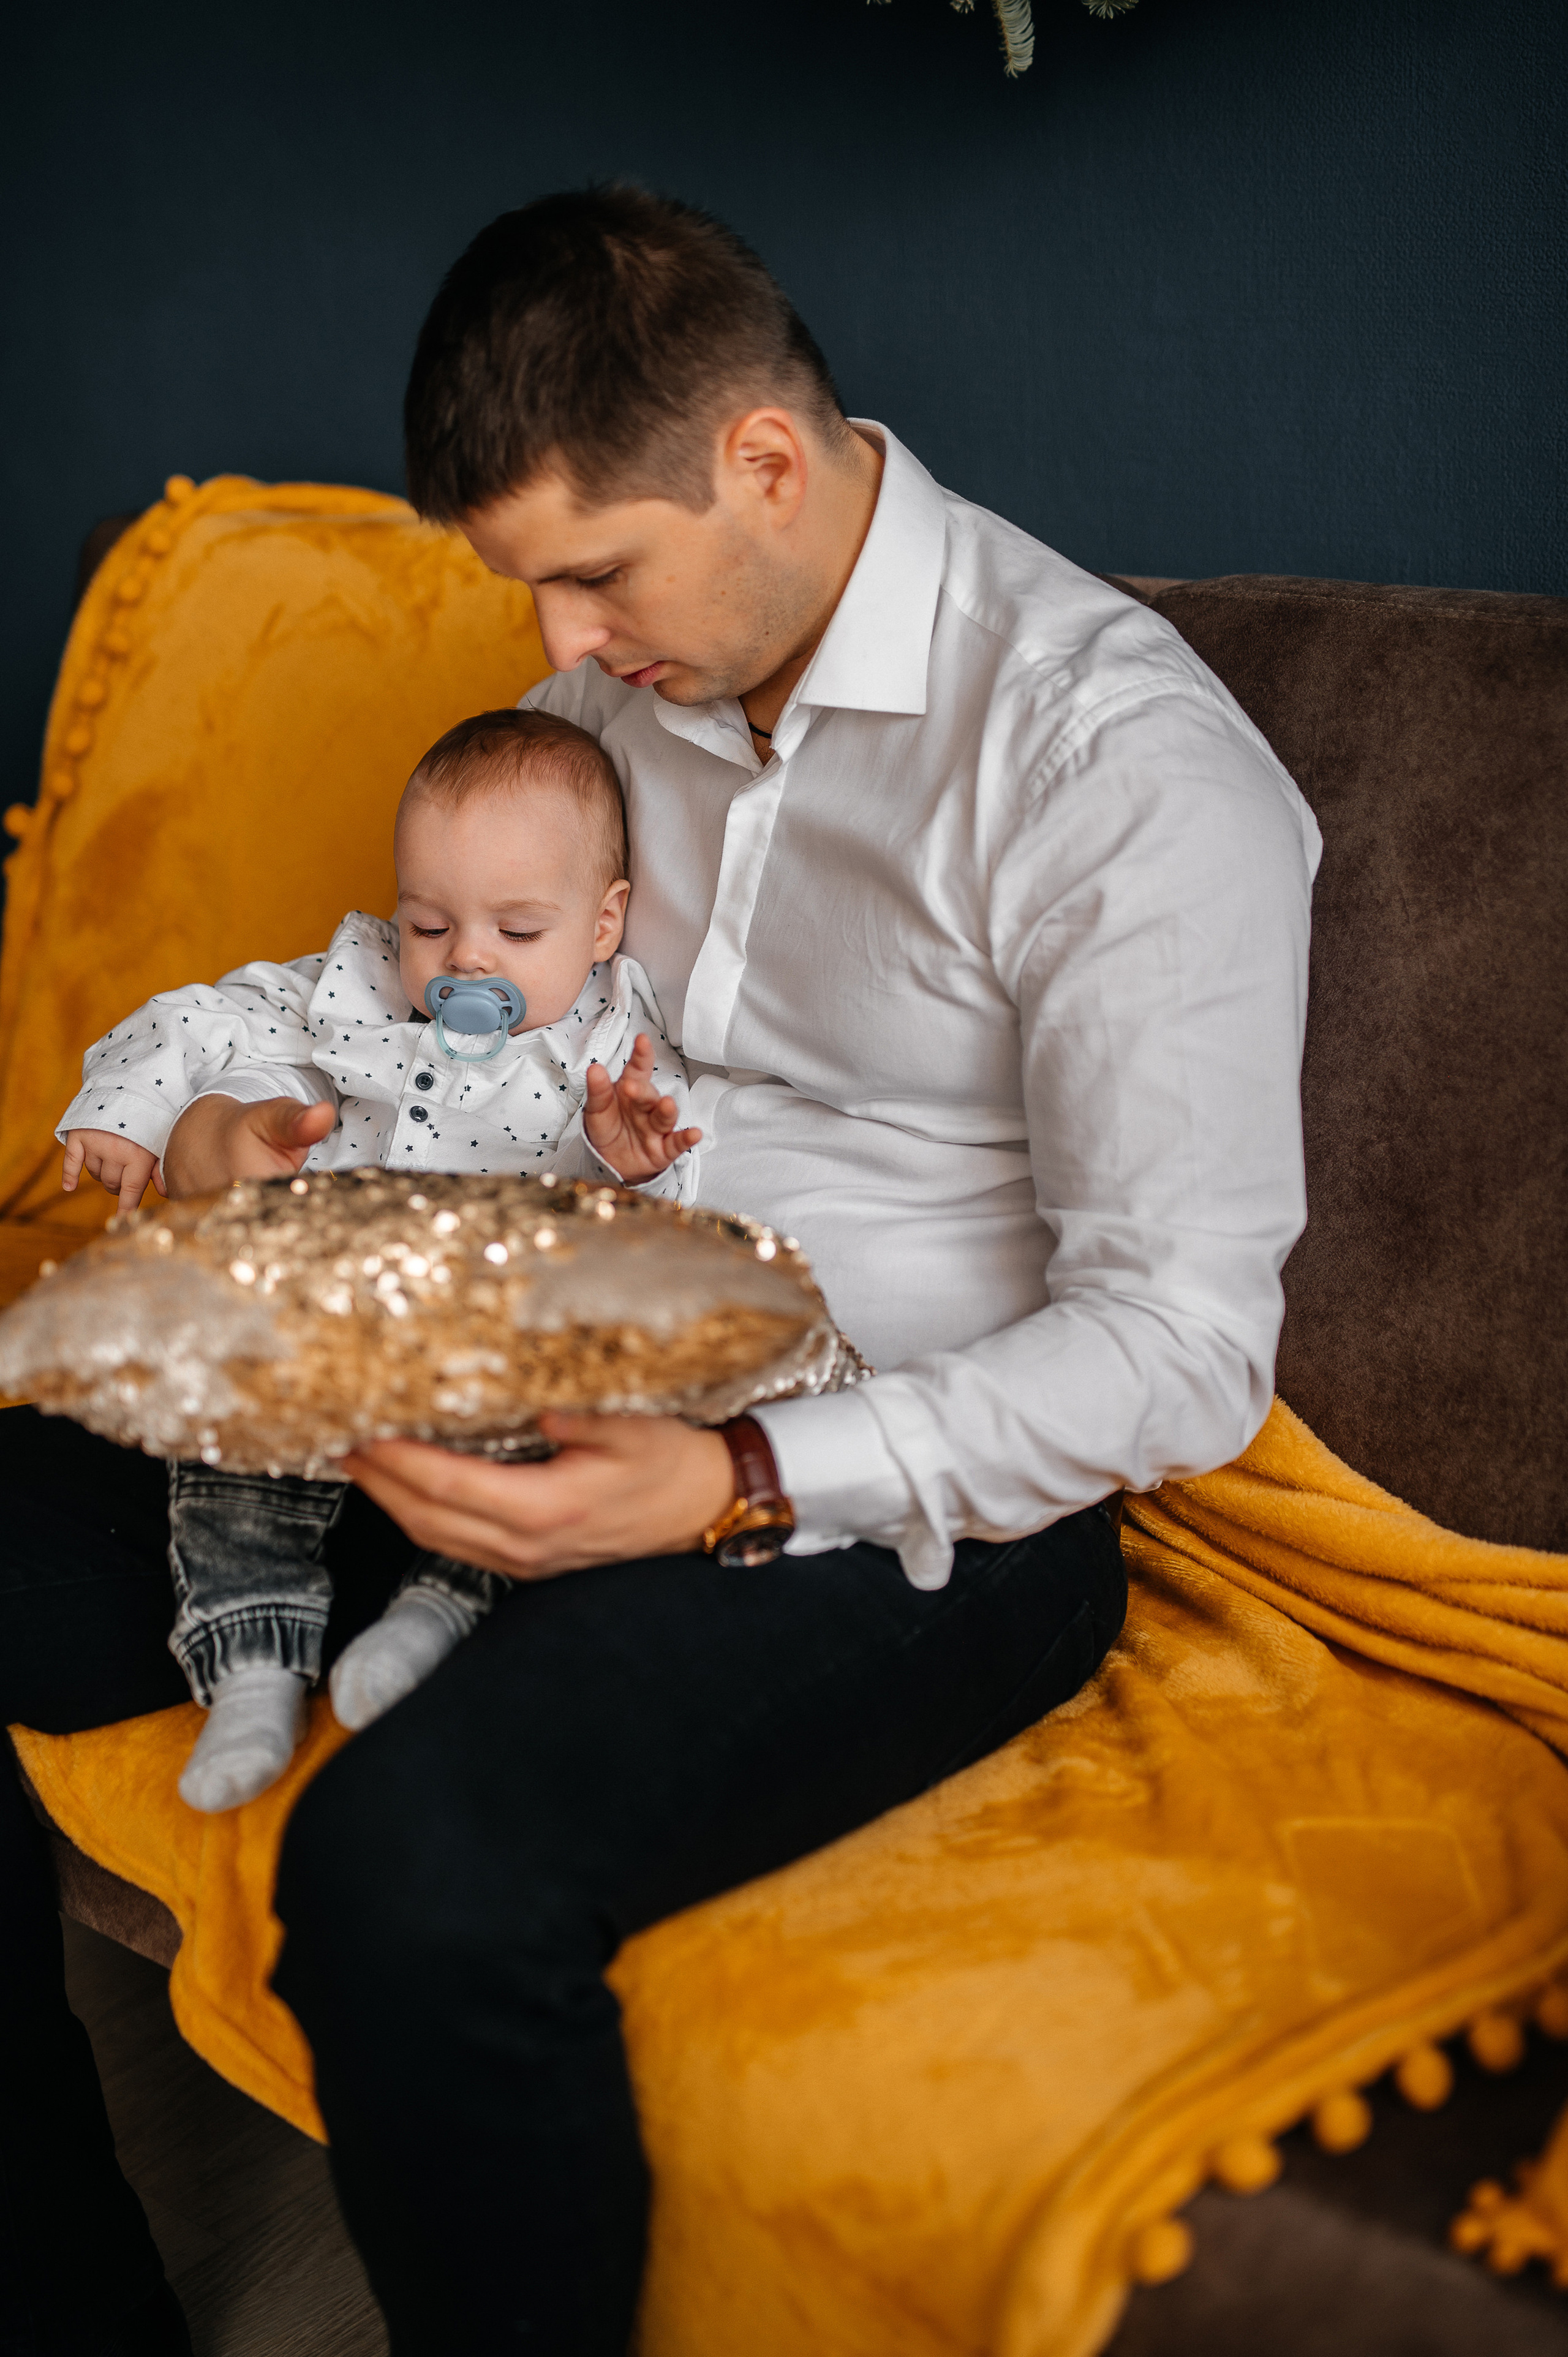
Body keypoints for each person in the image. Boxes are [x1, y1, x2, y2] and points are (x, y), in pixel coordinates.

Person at [0, 185, 1317, 2356]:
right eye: (532, 591)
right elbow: (486, 1021)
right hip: (520, 1344)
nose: (560, 652)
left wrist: (734, 1480)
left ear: (765, 463)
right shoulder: (629, 700)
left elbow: (1183, 1350)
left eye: (591, 573)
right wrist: (275, 1140)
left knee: (411, 1886)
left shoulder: (1117, 765)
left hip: (906, 1493)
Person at [53, 706, 698, 1811]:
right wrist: (129, 1112)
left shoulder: (610, 1045)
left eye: (516, 932)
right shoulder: (353, 989)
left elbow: (644, 1218)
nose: (466, 965)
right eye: (431, 925)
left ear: (603, 924)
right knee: (226, 1442)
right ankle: (252, 1669)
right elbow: (210, 1018)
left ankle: (439, 1614)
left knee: (559, 1441)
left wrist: (626, 1155)